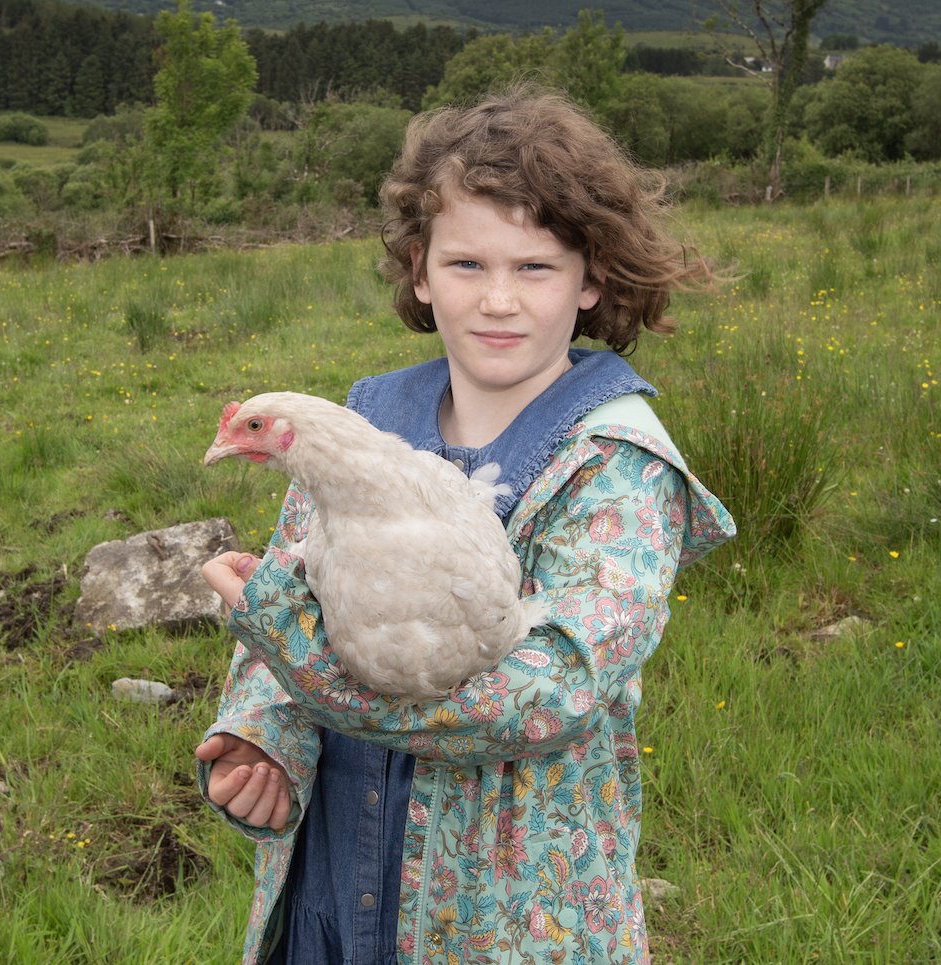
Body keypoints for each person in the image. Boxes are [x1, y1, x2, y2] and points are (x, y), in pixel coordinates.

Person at [195, 87, 735, 965]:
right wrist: (266, 736)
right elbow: (296, 593)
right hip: (343, 868)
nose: (498, 300)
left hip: (505, 902)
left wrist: (305, 662)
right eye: (466, 265)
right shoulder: (362, 430)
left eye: (535, 267)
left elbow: (553, 690)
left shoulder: (614, 464)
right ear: (419, 270)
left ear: (591, 278)